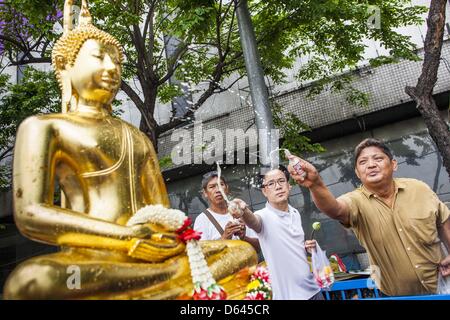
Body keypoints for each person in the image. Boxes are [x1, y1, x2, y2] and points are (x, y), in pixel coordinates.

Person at [3, 0, 257, 300]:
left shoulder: (135, 136)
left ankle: (163, 288)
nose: (112, 68)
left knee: (240, 253)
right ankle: (171, 290)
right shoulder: (45, 127)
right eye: (99, 57)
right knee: (31, 281)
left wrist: (169, 239)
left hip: (149, 259)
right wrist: (126, 238)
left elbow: (162, 212)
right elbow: (31, 214)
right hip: (91, 259)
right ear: (65, 65)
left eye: (117, 62)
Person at [287, 138, 450, 296]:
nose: (371, 165)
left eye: (378, 158)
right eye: (363, 162)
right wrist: (316, 184)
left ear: (393, 164)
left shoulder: (419, 189)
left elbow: (443, 223)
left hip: (443, 287)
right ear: (358, 173)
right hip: (395, 295)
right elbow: (335, 209)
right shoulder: (355, 201)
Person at [229, 166, 322, 300]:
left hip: (314, 291)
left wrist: (308, 248)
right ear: (264, 191)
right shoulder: (263, 215)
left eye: (281, 181)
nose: (278, 186)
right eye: (271, 184)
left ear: (289, 186)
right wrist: (244, 211)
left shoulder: (295, 213)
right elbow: (254, 222)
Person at [194, 171, 260, 253]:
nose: (218, 190)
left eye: (221, 184)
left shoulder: (240, 211)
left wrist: (243, 237)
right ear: (205, 193)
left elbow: (258, 248)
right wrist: (225, 237)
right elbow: (202, 255)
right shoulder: (202, 220)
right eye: (212, 187)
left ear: (227, 188)